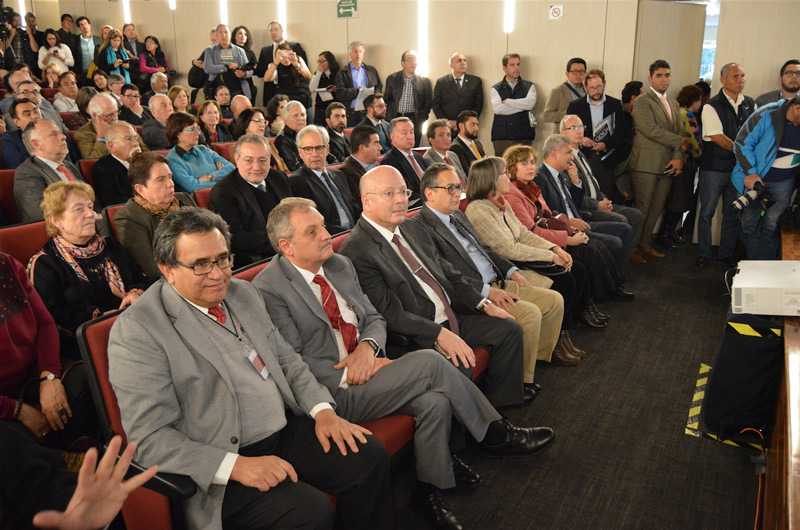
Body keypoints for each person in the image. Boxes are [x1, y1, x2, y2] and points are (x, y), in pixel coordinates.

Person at [256, 197, 556, 530]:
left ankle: (426, 494)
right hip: (333, 391)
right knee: (429, 361)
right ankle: (495, 432)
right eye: (313, 231)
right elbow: (293, 361)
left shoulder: (339, 265)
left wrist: (368, 350)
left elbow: (374, 317)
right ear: (287, 246)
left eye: (324, 225)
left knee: (435, 402)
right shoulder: (268, 289)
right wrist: (358, 368)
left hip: (369, 367)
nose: (327, 234)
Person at [108, 207, 394, 530]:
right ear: (167, 269)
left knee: (367, 457)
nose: (217, 274)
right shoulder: (139, 329)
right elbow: (148, 438)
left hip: (283, 429)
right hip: (222, 458)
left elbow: (287, 360)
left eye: (222, 259)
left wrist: (322, 410)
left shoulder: (242, 293)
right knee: (309, 512)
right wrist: (237, 466)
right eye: (200, 264)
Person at [339, 166, 528, 408]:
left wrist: (483, 302)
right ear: (366, 201)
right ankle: (476, 437)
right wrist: (438, 333)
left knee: (508, 329)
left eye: (403, 192)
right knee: (460, 363)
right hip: (418, 332)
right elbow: (389, 314)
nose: (400, 200)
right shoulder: (357, 250)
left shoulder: (411, 227)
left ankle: (501, 407)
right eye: (389, 194)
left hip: (451, 312)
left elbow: (447, 272)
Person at [412, 164, 567, 384]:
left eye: (459, 187)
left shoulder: (458, 214)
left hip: (497, 279)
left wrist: (509, 269)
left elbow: (485, 249)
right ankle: (523, 380)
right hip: (475, 292)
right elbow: (445, 274)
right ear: (429, 193)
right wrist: (486, 292)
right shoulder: (420, 227)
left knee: (554, 300)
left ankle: (536, 360)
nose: (458, 193)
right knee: (530, 314)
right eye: (450, 189)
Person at [503, 143, 625, 326]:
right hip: (535, 244)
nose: (530, 167)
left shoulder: (531, 186)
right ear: (512, 168)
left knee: (591, 244)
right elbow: (531, 231)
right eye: (524, 164)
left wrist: (570, 227)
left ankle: (592, 302)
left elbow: (549, 214)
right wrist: (567, 239)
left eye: (531, 162)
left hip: (548, 233)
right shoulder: (512, 194)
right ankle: (584, 308)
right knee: (584, 254)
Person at [29, 181, 149, 358]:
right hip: (91, 345)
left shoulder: (110, 246)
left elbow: (144, 280)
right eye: (79, 209)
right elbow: (53, 321)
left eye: (90, 207)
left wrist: (136, 293)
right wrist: (101, 319)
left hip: (137, 325)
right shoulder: (45, 264)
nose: (90, 214)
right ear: (56, 220)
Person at [0, 251, 97, 449]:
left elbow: (45, 322)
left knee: (86, 381)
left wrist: (49, 377)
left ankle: (76, 458)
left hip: (28, 372)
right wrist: (15, 410)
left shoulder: (6, 263)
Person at [536, 133, 635, 294]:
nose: (571, 157)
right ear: (554, 153)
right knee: (614, 242)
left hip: (580, 220)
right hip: (567, 228)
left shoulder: (562, 174)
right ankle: (612, 287)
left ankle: (617, 280)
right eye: (568, 153)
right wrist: (569, 221)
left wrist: (576, 182)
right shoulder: (540, 178)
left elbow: (575, 202)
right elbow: (544, 215)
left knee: (625, 230)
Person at [559, 115, 643, 264]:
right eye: (573, 128)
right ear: (562, 133)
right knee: (622, 220)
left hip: (598, 201)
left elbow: (593, 185)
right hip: (587, 207)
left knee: (636, 215)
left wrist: (603, 198)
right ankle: (612, 260)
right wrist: (597, 204)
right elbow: (572, 195)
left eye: (581, 128)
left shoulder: (582, 155)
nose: (579, 131)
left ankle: (622, 254)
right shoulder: (564, 159)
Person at [696, 63, 755, 268]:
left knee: (732, 212)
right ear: (722, 80)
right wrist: (743, 153)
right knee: (707, 213)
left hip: (737, 170)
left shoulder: (750, 103)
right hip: (714, 168)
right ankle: (703, 253)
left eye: (742, 76)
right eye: (735, 76)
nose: (741, 81)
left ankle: (726, 253)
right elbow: (718, 138)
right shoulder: (712, 105)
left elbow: (754, 134)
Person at [628, 59, 687, 259]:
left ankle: (645, 244)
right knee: (642, 208)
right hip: (646, 163)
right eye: (659, 75)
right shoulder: (642, 101)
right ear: (650, 78)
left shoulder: (673, 102)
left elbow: (679, 132)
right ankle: (631, 248)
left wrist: (679, 156)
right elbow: (650, 130)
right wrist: (680, 141)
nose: (664, 79)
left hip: (668, 163)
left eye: (667, 75)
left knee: (656, 208)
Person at [731, 95, 800, 260]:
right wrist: (750, 172)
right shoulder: (767, 113)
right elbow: (742, 143)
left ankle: (766, 271)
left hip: (784, 183)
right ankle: (751, 266)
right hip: (756, 180)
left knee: (771, 225)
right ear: (797, 108)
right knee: (750, 225)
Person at [209, 134, 292, 267]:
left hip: (293, 248)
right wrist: (285, 241)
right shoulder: (223, 192)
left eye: (262, 160)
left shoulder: (279, 178)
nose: (256, 167)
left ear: (269, 160)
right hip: (261, 259)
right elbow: (235, 238)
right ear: (237, 159)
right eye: (249, 160)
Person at [115, 152, 196, 279]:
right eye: (160, 179)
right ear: (141, 189)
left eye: (170, 177)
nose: (170, 184)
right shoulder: (130, 217)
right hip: (175, 280)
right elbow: (153, 269)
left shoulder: (184, 199)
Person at [566, 68, 630, 199]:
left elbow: (621, 132)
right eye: (592, 88)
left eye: (599, 87)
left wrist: (605, 144)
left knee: (606, 194)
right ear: (585, 87)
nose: (596, 91)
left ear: (604, 84)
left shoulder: (615, 104)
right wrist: (581, 139)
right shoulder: (575, 105)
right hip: (583, 155)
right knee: (584, 193)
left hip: (607, 158)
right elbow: (568, 130)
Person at [289, 125, 360, 234]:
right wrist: (350, 233)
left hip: (355, 232)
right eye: (308, 149)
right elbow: (315, 223)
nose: (314, 154)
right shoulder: (297, 182)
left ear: (327, 149)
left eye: (319, 148)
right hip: (332, 237)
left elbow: (354, 207)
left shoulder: (339, 175)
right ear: (300, 152)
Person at [14, 119, 87, 223]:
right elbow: (40, 213)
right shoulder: (26, 173)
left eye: (60, 133)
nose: (63, 137)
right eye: (53, 134)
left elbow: (91, 199)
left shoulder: (70, 166)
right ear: (36, 144)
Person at [660, 84, 703, 254]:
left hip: (684, 163)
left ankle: (668, 233)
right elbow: (692, 141)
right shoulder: (687, 115)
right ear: (695, 100)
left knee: (679, 200)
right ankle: (665, 234)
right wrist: (701, 155)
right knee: (678, 199)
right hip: (686, 163)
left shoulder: (680, 112)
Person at [165, 112, 234, 192]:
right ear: (178, 134)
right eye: (192, 129)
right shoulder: (173, 161)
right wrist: (223, 176)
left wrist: (211, 176)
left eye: (197, 128)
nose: (198, 133)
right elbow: (194, 186)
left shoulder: (203, 149)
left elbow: (232, 168)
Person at [490, 53, 537, 155]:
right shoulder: (495, 88)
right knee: (503, 168)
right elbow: (498, 109)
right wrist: (522, 107)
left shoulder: (529, 86)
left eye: (518, 64)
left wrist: (508, 102)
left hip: (523, 135)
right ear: (504, 68)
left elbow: (530, 104)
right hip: (502, 136)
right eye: (512, 65)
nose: (516, 68)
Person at [76, 92, 148, 159]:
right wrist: (101, 138)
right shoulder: (84, 134)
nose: (115, 118)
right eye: (110, 115)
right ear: (95, 115)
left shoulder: (127, 126)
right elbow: (92, 161)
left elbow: (145, 152)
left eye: (116, 112)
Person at [384, 50, 432, 147]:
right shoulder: (392, 78)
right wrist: (389, 117)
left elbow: (428, 102)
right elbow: (387, 99)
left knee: (412, 146)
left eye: (415, 60)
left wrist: (422, 118)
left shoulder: (424, 81)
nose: (413, 63)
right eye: (410, 60)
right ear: (403, 63)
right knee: (394, 146)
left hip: (414, 119)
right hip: (395, 117)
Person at [254, 20, 309, 106]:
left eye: (276, 29)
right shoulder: (265, 50)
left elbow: (306, 72)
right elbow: (260, 73)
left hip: (296, 90)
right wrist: (273, 65)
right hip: (272, 91)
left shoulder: (294, 46)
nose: (273, 32)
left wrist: (295, 64)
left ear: (282, 31)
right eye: (271, 31)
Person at [380, 117, 429, 202]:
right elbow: (404, 192)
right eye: (404, 133)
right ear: (393, 137)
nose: (410, 137)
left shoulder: (418, 157)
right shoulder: (390, 162)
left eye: (411, 132)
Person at [92, 121, 141, 207]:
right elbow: (112, 202)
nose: (135, 144)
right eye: (128, 139)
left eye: (136, 139)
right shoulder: (103, 168)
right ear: (112, 146)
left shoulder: (147, 162)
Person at [432, 53, 484, 131]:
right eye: (459, 61)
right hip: (448, 127)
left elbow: (478, 105)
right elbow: (436, 105)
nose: (463, 63)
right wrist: (446, 122)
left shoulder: (475, 81)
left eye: (464, 60)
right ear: (451, 66)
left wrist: (467, 122)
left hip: (468, 127)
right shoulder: (442, 82)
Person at [335, 41, 383, 126]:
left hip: (369, 112)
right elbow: (339, 93)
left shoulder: (371, 70)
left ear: (363, 55)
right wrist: (357, 91)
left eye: (360, 52)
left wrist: (372, 94)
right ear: (350, 54)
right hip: (352, 113)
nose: (358, 54)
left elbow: (379, 87)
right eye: (355, 51)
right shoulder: (343, 72)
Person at [203, 24, 252, 99]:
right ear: (217, 35)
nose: (224, 35)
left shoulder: (240, 51)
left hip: (237, 88)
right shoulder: (210, 50)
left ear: (230, 34)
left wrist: (244, 73)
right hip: (217, 88)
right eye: (221, 33)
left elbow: (249, 70)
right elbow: (208, 68)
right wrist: (227, 67)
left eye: (226, 32)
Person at [263, 42, 312, 110]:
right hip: (287, 100)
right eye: (283, 57)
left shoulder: (298, 59)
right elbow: (267, 79)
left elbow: (308, 76)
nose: (286, 59)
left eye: (288, 55)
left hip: (303, 98)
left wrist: (296, 65)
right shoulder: (274, 65)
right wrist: (276, 62)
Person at [339, 124, 382, 198]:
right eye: (376, 144)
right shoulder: (346, 172)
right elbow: (361, 201)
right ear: (362, 148)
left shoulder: (374, 164)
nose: (380, 148)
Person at [1, 98, 43, 170]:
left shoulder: (59, 134)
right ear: (16, 122)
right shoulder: (11, 138)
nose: (35, 116)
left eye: (36, 112)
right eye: (27, 114)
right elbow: (18, 169)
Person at [543, 58, 586, 126]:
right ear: (567, 73)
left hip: (584, 132)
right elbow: (547, 116)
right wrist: (568, 114)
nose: (578, 74)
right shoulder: (557, 91)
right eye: (574, 71)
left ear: (585, 73)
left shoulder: (589, 90)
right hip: (564, 133)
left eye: (581, 71)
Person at [423, 119, 468, 183]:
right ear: (431, 140)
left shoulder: (453, 155)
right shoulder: (428, 159)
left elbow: (465, 179)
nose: (447, 139)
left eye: (448, 135)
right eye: (441, 135)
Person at [3, 13, 44, 78]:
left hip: (26, 66)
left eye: (19, 20)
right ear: (10, 22)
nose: (17, 23)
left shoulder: (26, 34)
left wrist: (29, 34)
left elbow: (35, 49)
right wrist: (11, 36)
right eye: (15, 21)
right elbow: (3, 49)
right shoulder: (6, 34)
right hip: (11, 67)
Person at [274, 100, 307, 171]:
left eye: (303, 115)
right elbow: (295, 168)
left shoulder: (310, 135)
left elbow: (330, 159)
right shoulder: (282, 140)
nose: (300, 118)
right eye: (295, 116)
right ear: (285, 120)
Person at [309, 51, 340, 125]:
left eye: (323, 61)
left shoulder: (337, 72)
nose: (321, 64)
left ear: (330, 61)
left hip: (334, 105)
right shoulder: (317, 74)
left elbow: (342, 87)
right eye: (319, 61)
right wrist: (319, 73)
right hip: (321, 107)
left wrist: (334, 88)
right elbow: (312, 88)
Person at [231, 25, 258, 103]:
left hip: (248, 84)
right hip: (234, 84)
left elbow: (255, 69)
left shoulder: (250, 52)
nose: (243, 36)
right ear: (234, 36)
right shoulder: (230, 51)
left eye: (245, 34)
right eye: (240, 33)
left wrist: (245, 73)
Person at [74, 16, 101, 81]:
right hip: (83, 73)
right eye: (81, 24)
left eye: (86, 23)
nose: (84, 26)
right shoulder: (75, 41)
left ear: (89, 25)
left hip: (97, 72)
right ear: (79, 28)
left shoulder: (98, 39)